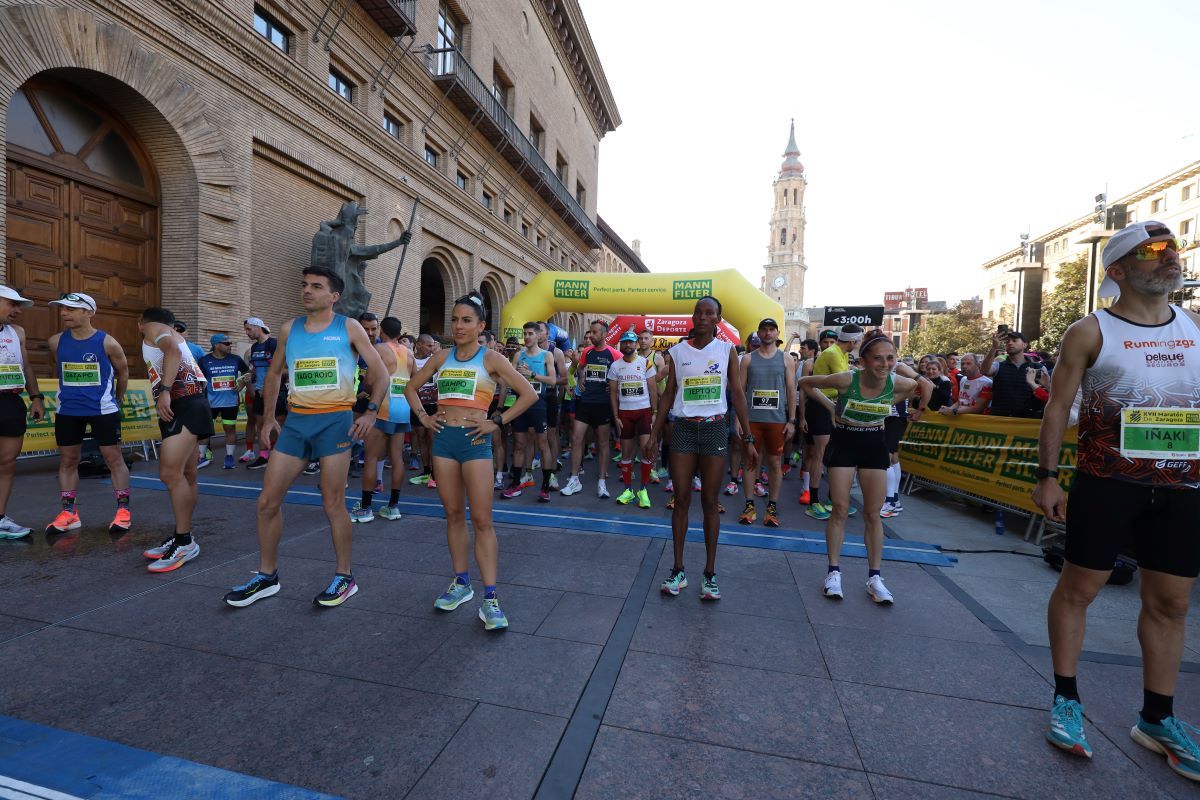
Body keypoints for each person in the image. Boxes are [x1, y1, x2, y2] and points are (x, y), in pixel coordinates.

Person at [1034, 221, 1200, 778]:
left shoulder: (1196, 326)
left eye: (1171, 248)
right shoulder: (1090, 331)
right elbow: (1057, 407)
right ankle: (1066, 698)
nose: (1168, 258)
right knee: (1081, 589)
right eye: (1153, 251)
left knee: (1172, 603)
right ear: (1118, 271)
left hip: (1181, 488)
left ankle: (1157, 717)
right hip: (1108, 483)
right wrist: (1048, 475)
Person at [223, 266, 386, 608]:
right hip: (297, 422)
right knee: (267, 501)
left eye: (316, 286)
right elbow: (274, 375)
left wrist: (370, 412)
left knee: (332, 503)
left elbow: (380, 372)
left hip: (335, 422)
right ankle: (267, 576)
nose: (307, 291)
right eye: (304, 285)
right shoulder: (289, 328)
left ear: (334, 296)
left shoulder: (349, 326)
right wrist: (268, 418)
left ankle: (345, 576)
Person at [405, 291, 538, 630]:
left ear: (481, 325)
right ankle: (461, 583)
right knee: (452, 516)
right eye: (454, 320)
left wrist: (498, 422)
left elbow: (529, 394)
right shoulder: (441, 357)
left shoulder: (491, 359)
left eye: (467, 320)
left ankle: (490, 598)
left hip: (476, 443)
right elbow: (410, 389)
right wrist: (423, 417)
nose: (459, 326)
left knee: (482, 520)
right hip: (444, 442)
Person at [799, 330, 928, 604]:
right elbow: (805, 382)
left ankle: (875, 577)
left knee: (873, 514)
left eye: (890, 358)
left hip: (873, 442)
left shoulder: (900, 383)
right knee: (841, 509)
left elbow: (922, 387)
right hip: (845, 440)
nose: (885, 364)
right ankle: (833, 572)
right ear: (864, 360)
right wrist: (831, 406)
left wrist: (889, 406)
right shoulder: (847, 378)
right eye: (878, 359)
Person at [646, 297, 757, 601]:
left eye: (710, 313)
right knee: (680, 499)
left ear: (718, 320)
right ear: (693, 317)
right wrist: (654, 434)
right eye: (700, 312)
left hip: (713, 429)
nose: (704, 317)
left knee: (709, 501)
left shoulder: (727, 350)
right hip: (682, 429)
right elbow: (669, 395)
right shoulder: (677, 351)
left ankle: (709, 574)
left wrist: (748, 438)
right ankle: (678, 569)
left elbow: (737, 393)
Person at [45, 292, 131, 535]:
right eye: (62, 309)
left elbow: (123, 372)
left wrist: (119, 399)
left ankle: (123, 510)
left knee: (113, 459)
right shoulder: (55, 341)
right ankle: (69, 513)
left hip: (102, 409)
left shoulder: (108, 342)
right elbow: (60, 368)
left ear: (89, 312)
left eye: (71, 309)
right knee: (68, 460)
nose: (64, 313)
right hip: (68, 410)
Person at [138, 308, 213, 572]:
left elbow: (172, 351)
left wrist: (165, 392)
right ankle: (183, 534)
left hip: (182, 405)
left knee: (170, 474)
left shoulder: (155, 330)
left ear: (141, 323)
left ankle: (184, 542)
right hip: (193, 403)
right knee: (188, 474)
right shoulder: (172, 332)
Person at [350, 316, 413, 522]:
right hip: (403, 409)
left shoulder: (379, 350)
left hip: (383, 408)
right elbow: (416, 380)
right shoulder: (409, 353)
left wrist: (368, 393)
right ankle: (393, 506)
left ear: (382, 331)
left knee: (371, 457)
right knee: (396, 458)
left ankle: (366, 508)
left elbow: (369, 383)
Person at [799, 326, 862, 520]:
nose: (858, 345)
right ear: (852, 341)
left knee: (833, 455)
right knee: (820, 454)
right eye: (858, 342)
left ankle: (830, 499)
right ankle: (814, 502)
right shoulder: (834, 353)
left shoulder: (841, 353)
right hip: (820, 407)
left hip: (831, 406)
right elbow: (843, 384)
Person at [738, 318, 795, 527]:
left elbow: (791, 390)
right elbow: (740, 391)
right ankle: (749, 505)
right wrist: (738, 418)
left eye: (772, 330)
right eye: (764, 330)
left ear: (777, 333)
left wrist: (792, 420)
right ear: (759, 333)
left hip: (777, 420)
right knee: (751, 462)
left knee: (774, 463)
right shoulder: (747, 359)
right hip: (752, 420)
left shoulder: (787, 359)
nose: (768, 333)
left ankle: (772, 506)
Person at [0, 287, 44, 539]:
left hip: (11, 402)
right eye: (12, 304)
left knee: (6, 463)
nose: (17, 310)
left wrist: (36, 397)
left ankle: (0, 518)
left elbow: (25, 365)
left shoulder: (17, 332)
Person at [561, 321, 620, 498]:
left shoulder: (614, 354)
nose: (590, 336)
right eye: (590, 333)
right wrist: (580, 380)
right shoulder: (587, 352)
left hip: (603, 404)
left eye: (594, 333)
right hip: (585, 402)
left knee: (603, 443)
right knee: (576, 438)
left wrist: (615, 387)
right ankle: (574, 479)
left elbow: (622, 372)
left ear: (604, 335)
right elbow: (580, 368)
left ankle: (601, 482)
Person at [502, 321, 557, 502]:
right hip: (520, 404)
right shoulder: (518, 355)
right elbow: (509, 380)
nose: (527, 337)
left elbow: (552, 380)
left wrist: (532, 375)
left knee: (543, 444)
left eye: (530, 334)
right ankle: (516, 483)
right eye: (525, 334)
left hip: (539, 403)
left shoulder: (547, 355)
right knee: (519, 443)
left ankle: (545, 486)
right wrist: (517, 375)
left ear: (538, 336)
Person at [609, 329, 658, 508]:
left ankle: (643, 490)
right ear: (621, 345)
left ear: (636, 345)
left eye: (631, 342)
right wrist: (615, 416)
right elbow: (613, 393)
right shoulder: (615, 366)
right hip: (625, 414)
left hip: (644, 412)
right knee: (626, 453)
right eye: (625, 342)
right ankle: (628, 490)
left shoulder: (645, 363)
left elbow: (653, 389)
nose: (628, 345)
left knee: (647, 450)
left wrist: (655, 412)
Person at [197, 334, 249, 469]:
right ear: (216, 345)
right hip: (210, 403)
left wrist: (242, 383)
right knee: (204, 431)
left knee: (230, 428)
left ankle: (229, 457)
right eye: (226, 343)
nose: (230, 345)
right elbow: (198, 380)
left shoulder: (236, 359)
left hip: (230, 402)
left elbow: (247, 372)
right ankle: (201, 457)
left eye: (230, 343)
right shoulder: (204, 361)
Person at [242, 317, 285, 469]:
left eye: (248, 329)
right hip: (259, 393)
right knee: (261, 425)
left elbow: (285, 368)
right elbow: (253, 369)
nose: (246, 332)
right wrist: (250, 383)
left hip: (276, 392)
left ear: (258, 327)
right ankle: (263, 456)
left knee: (277, 424)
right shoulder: (254, 348)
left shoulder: (273, 344)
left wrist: (270, 384)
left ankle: (277, 454)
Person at [981, 329, 1042, 418]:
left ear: (1025, 344)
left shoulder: (1037, 368)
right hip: (1000, 419)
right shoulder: (998, 366)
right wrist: (994, 348)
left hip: (1027, 421)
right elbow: (984, 371)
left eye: (1014, 340)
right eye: (1007, 341)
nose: (1010, 343)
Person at [538, 321, 568, 489]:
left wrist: (548, 381)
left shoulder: (556, 353)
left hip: (549, 396)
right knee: (532, 437)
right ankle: (528, 472)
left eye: (539, 331)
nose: (536, 334)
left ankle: (553, 474)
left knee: (551, 435)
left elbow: (564, 378)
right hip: (532, 396)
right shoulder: (528, 353)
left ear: (547, 334)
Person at [409, 333, 438, 487]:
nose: (431, 348)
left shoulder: (434, 360)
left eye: (433, 345)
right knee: (421, 438)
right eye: (428, 345)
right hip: (417, 404)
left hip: (433, 404)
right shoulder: (411, 360)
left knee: (432, 438)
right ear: (419, 344)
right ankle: (426, 471)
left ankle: (435, 473)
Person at [939, 353, 991, 417]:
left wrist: (953, 411)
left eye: (968, 363)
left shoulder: (987, 383)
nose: (964, 366)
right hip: (961, 419)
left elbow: (978, 408)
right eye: (962, 364)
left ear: (978, 365)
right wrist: (949, 409)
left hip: (978, 422)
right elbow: (959, 401)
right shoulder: (963, 379)